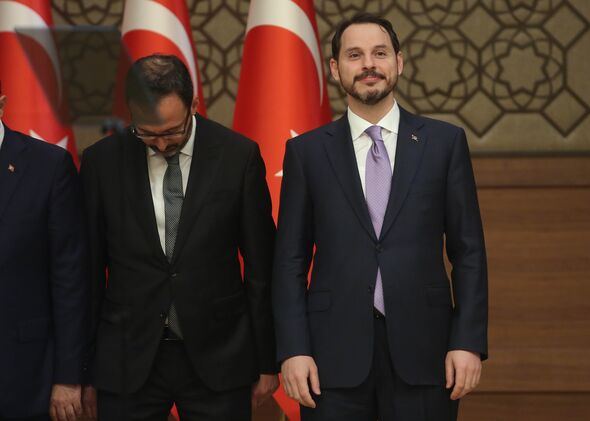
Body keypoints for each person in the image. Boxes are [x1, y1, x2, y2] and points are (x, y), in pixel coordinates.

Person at [272, 13, 488, 421]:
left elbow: (469, 252)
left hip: (427, 352)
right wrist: (293, 349)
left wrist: (468, 341)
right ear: (335, 68)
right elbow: (289, 261)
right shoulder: (307, 153)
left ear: (399, 62)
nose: (368, 64)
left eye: (380, 53)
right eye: (354, 55)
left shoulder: (444, 144)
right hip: (329, 358)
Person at [80, 55, 279, 421]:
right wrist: (85, 368)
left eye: (172, 132)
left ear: (194, 105)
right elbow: (88, 273)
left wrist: (267, 361)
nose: (160, 144)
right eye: (147, 133)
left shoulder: (238, 156)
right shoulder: (101, 162)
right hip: (126, 358)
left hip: (220, 355)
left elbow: (261, 269)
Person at [0, 86, 88, 421]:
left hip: (22, 373)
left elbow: (70, 280)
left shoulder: (48, 166)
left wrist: (68, 376)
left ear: (1, 106)